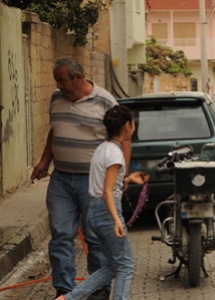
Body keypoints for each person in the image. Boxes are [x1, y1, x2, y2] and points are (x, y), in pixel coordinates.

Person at [30, 57, 125, 300]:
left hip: (92, 182)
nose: (59, 85)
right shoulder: (56, 98)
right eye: (57, 81)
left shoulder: (104, 101)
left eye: (62, 80)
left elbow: (123, 138)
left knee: (95, 237)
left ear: (78, 78)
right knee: (60, 234)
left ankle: (98, 289)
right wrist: (44, 161)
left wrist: (119, 177)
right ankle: (64, 290)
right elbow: (56, 131)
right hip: (61, 179)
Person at [56, 106, 148, 300]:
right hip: (107, 211)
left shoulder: (102, 148)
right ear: (127, 125)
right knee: (125, 266)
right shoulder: (115, 154)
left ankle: (67, 298)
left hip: (93, 210)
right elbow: (107, 191)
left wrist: (129, 179)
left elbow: (106, 184)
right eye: (132, 122)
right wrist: (116, 220)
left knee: (113, 266)